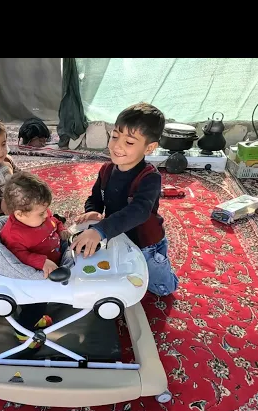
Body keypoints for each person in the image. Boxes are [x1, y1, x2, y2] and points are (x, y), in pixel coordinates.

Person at [71, 102, 179, 297]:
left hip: (145, 244)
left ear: (149, 147)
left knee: (162, 289)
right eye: (114, 136)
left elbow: (139, 211)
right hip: (118, 236)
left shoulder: (150, 177)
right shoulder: (106, 170)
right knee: (120, 276)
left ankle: (162, 261)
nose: (117, 146)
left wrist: (100, 230)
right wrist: (92, 210)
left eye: (129, 142)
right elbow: (96, 197)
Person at [0, 171, 71, 347]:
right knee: (35, 306)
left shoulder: (38, 215)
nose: (46, 215)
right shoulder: (14, 234)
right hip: (36, 278)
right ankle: (23, 333)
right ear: (19, 214)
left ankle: (36, 319)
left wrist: (61, 228)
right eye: (41, 213)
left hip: (55, 257)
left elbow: (53, 220)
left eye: (46, 210)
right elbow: (17, 255)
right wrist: (41, 261)